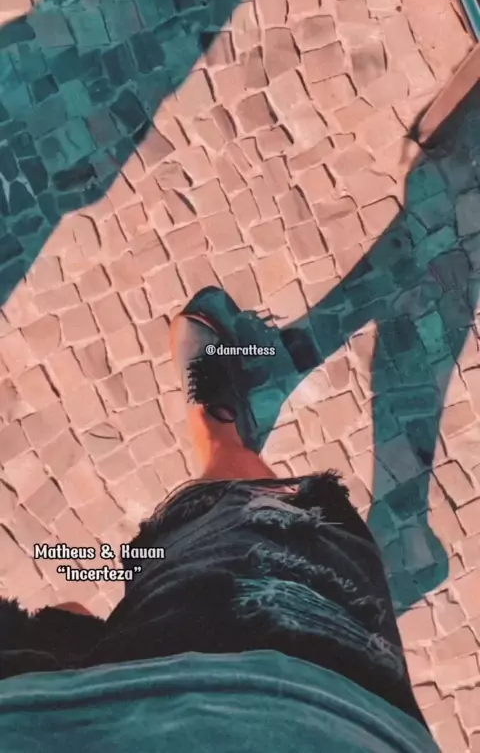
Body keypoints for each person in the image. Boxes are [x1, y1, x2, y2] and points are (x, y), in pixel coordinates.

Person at [0, 288, 440, 752]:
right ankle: (219, 435)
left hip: (27, 708)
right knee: (249, 525)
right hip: (276, 704)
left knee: (70, 621)